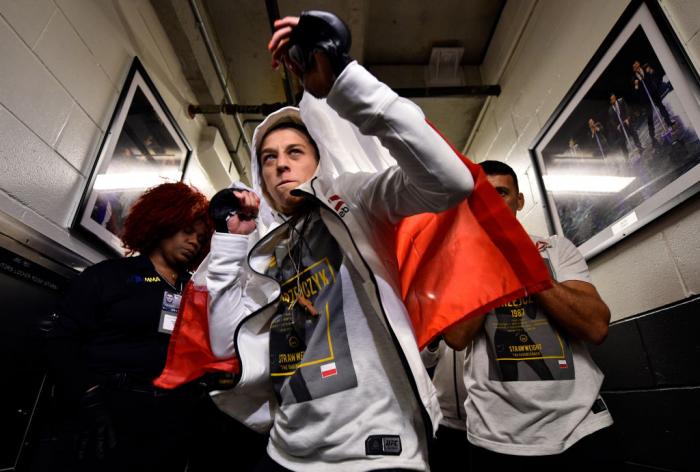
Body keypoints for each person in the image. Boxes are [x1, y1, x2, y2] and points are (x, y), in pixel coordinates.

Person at [204, 10, 473, 471]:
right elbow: (225, 343)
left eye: (294, 153)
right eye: (268, 158)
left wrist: (345, 83)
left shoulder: (355, 199)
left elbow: (450, 182)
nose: (280, 165)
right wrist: (229, 247)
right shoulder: (262, 250)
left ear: (317, 161)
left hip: (377, 448)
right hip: (285, 449)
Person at [444, 161, 619, 469]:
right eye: (483, 195)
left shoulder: (556, 248)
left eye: (502, 193)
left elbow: (596, 327)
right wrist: (488, 258)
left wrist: (523, 263)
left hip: (580, 426)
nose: (493, 203)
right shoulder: (457, 262)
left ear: (519, 200)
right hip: (496, 435)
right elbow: (457, 337)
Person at [46, 182, 217, 471]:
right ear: (163, 222)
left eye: (201, 239)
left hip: (171, 423)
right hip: (109, 413)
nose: (194, 242)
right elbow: (62, 341)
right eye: (187, 231)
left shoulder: (198, 293)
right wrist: (87, 396)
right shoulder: (109, 276)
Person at [421, 340, 469, 472]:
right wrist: (432, 345)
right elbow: (424, 362)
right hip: (442, 421)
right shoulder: (440, 320)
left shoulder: (479, 321)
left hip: (477, 423)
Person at [632, 60, 674, 146]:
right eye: (634, 66)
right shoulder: (633, 78)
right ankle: (652, 137)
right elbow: (636, 91)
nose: (636, 66)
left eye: (636, 64)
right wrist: (636, 85)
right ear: (633, 69)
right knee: (649, 117)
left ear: (639, 64)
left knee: (661, 107)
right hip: (645, 98)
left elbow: (654, 74)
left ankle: (669, 122)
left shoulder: (645, 67)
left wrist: (651, 71)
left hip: (653, 92)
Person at [608, 93, 643, 158]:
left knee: (634, 133)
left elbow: (627, 109)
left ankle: (639, 147)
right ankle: (626, 156)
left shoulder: (621, 101)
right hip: (620, 126)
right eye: (612, 99)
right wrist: (617, 126)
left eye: (614, 98)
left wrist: (627, 118)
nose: (614, 100)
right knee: (622, 142)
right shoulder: (610, 110)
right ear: (610, 101)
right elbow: (612, 120)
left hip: (626, 122)